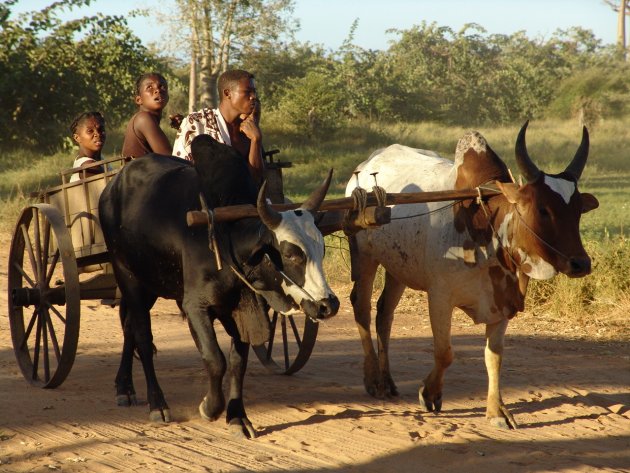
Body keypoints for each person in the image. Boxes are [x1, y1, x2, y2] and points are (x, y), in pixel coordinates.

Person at [172, 69, 264, 184]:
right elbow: (181, 171)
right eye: (247, 92)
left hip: (244, 200)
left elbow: (256, 180)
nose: (253, 96)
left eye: (254, 92)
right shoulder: (196, 123)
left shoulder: (249, 130)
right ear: (227, 93)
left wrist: (256, 139)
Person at [121, 72, 172, 158]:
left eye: (162, 86)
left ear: (167, 96)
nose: (158, 90)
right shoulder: (143, 118)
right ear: (138, 100)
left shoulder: (148, 118)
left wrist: (182, 128)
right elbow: (171, 159)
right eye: (149, 87)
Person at [69, 111, 106, 183]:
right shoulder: (89, 166)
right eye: (90, 131)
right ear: (77, 138)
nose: (97, 134)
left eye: (100, 129)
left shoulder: (99, 158)